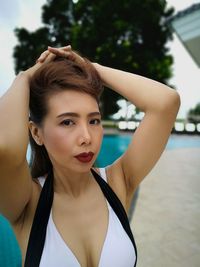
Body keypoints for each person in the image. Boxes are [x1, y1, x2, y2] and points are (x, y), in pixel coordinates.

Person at [0, 45, 180, 267]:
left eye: (94, 120)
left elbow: (166, 102)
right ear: (36, 133)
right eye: (68, 122)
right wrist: (26, 77)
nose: (87, 137)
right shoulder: (27, 203)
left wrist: (92, 68)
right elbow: (5, 146)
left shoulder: (118, 182)